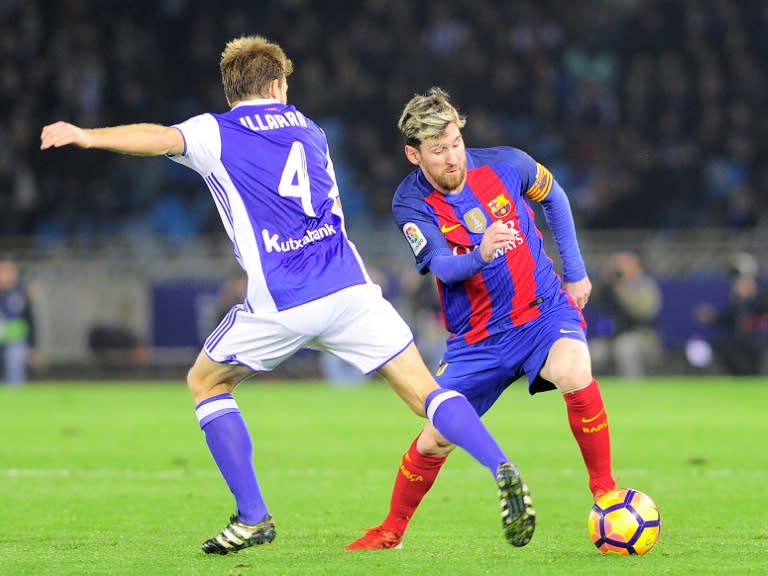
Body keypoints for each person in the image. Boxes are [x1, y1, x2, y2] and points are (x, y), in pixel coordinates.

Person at [40, 37, 534, 555]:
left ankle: (253, 516)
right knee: (426, 394)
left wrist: (87, 135)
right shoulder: (310, 129)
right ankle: (497, 460)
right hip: (350, 288)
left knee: (205, 382)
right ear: (277, 85)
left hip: (285, 298)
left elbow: (158, 137)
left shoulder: (216, 131)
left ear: (233, 90)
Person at [346, 87, 615, 551]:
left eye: (455, 143)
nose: (453, 158)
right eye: (438, 150)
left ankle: (606, 494)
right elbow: (443, 267)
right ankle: (390, 530)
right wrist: (479, 253)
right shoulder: (409, 203)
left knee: (574, 370)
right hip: (477, 340)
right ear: (414, 154)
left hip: (542, 314)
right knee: (434, 439)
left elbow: (557, 198)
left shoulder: (508, 163)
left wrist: (575, 271)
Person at [589, 251, 662, 378]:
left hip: (641, 335)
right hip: (611, 336)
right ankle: (594, 392)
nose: (620, 268)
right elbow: (591, 298)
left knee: (625, 348)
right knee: (593, 351)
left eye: (624, 264)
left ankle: (633, 390)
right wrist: (605, 279)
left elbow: (643, 312)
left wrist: (622, 286)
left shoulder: (644, 284)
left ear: (637, 266)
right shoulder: (609, 285)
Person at [0, 257, 37, 386]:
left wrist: (32, 346)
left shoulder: (21, 293)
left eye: (8, 271)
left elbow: (31, 320)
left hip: (16, 340)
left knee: (15, 372)